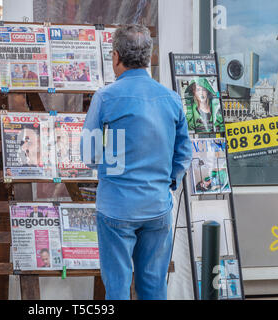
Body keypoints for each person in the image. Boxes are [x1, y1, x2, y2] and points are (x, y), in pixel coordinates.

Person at [80, 25, 192, 300]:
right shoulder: (172, 99)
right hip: (157, 205)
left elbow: (89, 155)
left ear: (116, 57)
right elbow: (184, 153)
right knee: (154, 284)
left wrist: (114, 163)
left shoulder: (105, 97)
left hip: (117, 207)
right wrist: (168, 181)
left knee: (117, 287)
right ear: (149, 57)